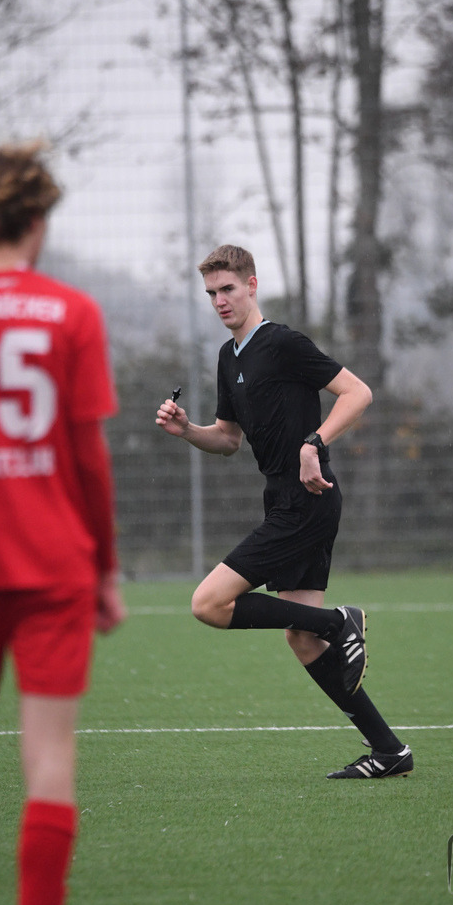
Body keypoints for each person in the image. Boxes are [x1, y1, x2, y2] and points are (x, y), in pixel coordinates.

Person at [156, 244, 412, 780]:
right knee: (302, 638)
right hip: (282, 498)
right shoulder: (229, 357)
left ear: (252, 285)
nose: (220, 300)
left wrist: (314, 441)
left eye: (228, 289)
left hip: (308, 499)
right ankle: (389, 750)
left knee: (208, 603)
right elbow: (227, 440)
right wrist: (188, 430)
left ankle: (339, 621)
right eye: (211, 293)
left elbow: (357, 393)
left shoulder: (283, 343)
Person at [0, 141, 126, 905]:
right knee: (49, 759)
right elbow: (88, 458)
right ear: (35, 218)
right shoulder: (71, 312)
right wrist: (106, 570)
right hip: (52, 562)